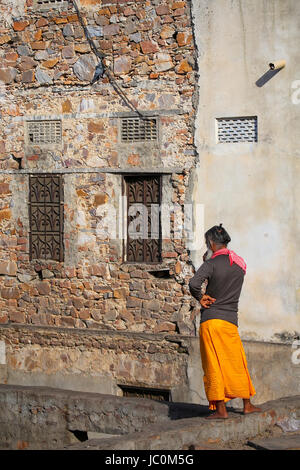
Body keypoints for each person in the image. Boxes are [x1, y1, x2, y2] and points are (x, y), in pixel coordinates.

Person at [189, 224, 261, 419]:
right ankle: (247, 405)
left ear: (211, 243)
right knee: (237, 362)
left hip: (211, 321)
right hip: (230, 321)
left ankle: (221, 411)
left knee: (214, 365)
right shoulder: (239, 264)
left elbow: (194, 283)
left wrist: (201, 297)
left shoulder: (211, 264)